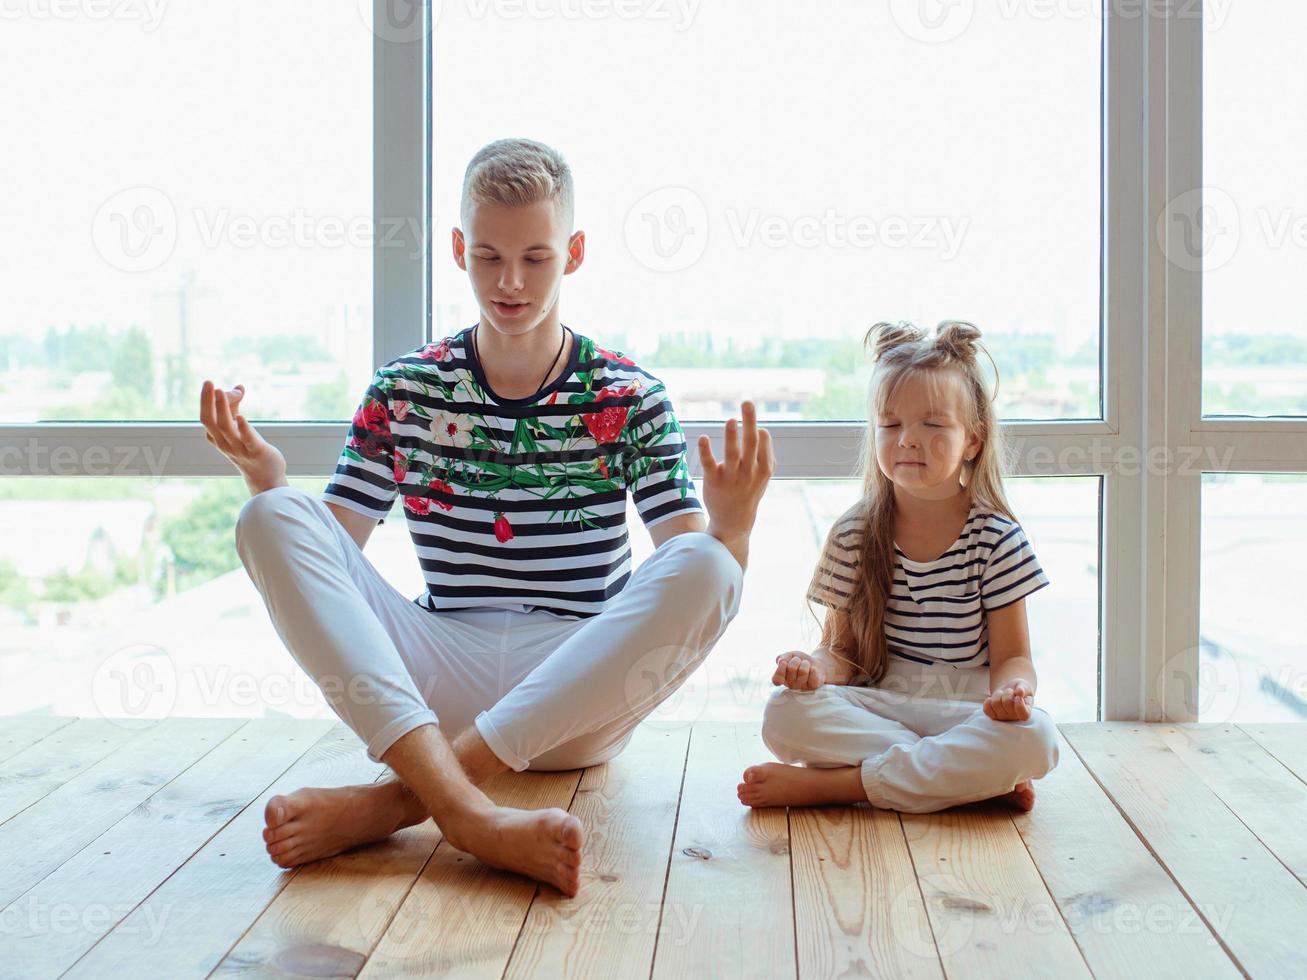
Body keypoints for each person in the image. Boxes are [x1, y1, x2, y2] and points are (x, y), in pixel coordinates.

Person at [199, 138, 774, 896]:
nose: (510, 281)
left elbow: (686, 586)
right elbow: (330, 566)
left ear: (572, 253)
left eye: (535, 258)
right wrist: (264, 479)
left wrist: (733, 525)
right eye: (489, 257)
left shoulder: (630, 395)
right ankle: (470, 814)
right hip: (433, 679)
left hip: (575, 694)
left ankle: (402, 804)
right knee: (270, 516)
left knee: (708, 562)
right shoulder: (403, 389)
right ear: (458, 249)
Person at [737, 320, 1058, 814]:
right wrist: (811, 667)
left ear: (972, 440)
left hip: (964, 712)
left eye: (932, 425)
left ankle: (837, 786)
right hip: (882, 703)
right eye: (890, 426)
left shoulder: (997, 539)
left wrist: (1016, 692)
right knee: (783, 715)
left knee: (1038, 739)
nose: (907, 440)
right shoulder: (854, 534)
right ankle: (965, 780)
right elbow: (841, 652)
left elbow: (1013, 657)